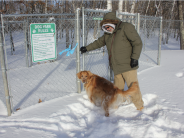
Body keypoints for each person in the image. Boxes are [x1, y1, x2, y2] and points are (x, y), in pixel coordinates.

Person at [80, 12, 144, 110]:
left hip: (128, 65)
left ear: (114, 23)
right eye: (105, 27)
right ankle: (118, 104)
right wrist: (86, 48)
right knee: (117, 88)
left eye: (109, 26)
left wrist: (135, 58)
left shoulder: (125, 27)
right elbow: (98, 43)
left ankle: (139, 106)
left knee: (133, 86)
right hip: (116, 66)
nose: (107, 29)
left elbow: (137, 42)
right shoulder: (107, 35)